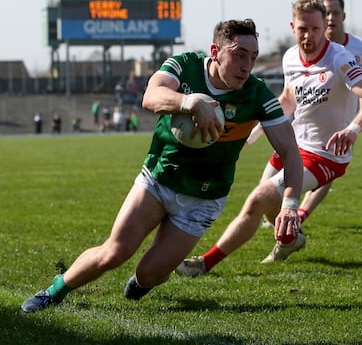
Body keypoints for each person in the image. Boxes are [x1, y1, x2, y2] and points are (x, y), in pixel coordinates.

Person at [21, 18, 303, 313]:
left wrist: (290, 204)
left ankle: (142, 282)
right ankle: (54, 290)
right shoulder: (184, 66)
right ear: (215, 51)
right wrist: (188, 102)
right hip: (158, 179)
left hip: (204, 199)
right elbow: (151, 96)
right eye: (239, 54)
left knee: (149, 274)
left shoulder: (256, 94)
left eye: (253, 57)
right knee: (114, 253)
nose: (247, 65)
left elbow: (290, 151)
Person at [176, 0, 362, 275]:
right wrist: (261, 126)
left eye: (314, 28)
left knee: (258, 198)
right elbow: (288, 98)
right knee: (268, 208)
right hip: (293, 144)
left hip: (325, 154)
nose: (308, 35)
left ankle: (205, 263)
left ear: (325, 26)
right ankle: (291, 239)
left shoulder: (339, 58)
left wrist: (353, 129)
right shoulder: (290, 57)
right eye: (302, 29)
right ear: (292, 27)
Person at [267, 0, 362, 228]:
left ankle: (299, 216)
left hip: (337, 130)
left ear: (342, 16)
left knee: (324, 168)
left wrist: (355, 124)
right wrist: (261, 124)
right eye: (326, 13)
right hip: (298, 133)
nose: (330, 19)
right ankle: (288, 226)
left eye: (334, 13)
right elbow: (289, 95)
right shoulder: (295, 53)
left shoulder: (355, 50)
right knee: (263, 196)